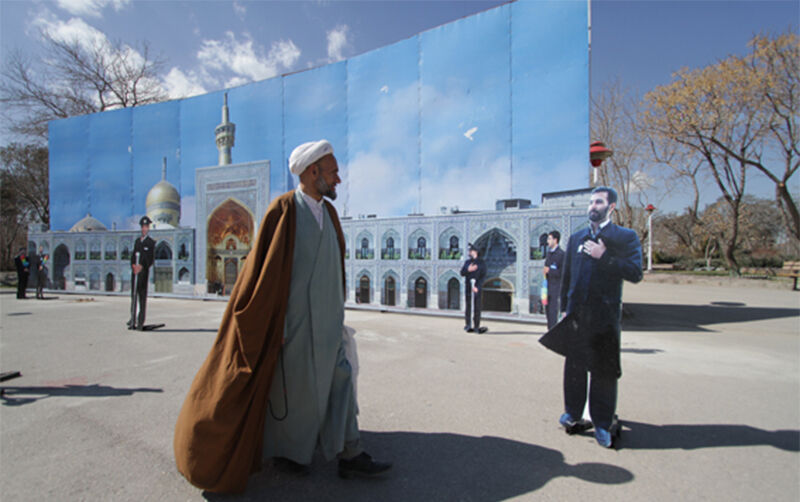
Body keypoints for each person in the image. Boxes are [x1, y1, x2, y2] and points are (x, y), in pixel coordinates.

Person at [174, 140, 391, 494]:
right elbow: (262, 272)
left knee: (341, 383)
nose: (338, 179)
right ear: (312, 172)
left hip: (329, 326)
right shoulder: (284, 210)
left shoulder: (330, 214)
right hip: (295, 327)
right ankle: (291, 454)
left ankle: (351, 454)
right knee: (296, 396)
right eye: (333, 171)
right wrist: (276, 326)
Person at [555, 186, 642, 448]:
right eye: (591, 202)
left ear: (611, 207)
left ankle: (602, 423)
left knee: (603, 369)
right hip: (578, 314)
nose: (593, 206)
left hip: (604, 315)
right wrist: (563, 309)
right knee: (574, 367)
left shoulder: (624, 237)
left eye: (599, 202)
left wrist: (605, 257)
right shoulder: (576, 237)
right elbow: (568, 275)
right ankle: (572, 412)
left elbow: (635, 272)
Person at [128, 216, 155, 330]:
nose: (145, 228)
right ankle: (132, 320)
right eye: (143, 227)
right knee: (133, 297)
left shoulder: (151, 242)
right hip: (135, 274)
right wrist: (133, 265)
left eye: (146, 226)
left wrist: (142, 266)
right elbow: (133, 255)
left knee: (142, 298)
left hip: (143, 274)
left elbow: (150, 259)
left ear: (148, 228)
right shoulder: (137, 242)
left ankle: (140, 322)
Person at [460, 243, 487, 333]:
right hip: (468, 286)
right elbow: (462, 273)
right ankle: (468, 325)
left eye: (470, 251)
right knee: (468, 306)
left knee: (476, 306)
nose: (469, 252)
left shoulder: (481, 263)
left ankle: (476, 326)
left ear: (475, 252)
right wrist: (468, 270)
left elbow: (483, 276)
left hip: (476, 287)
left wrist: (477, 286)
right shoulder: (468, 262)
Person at [543, 231, 564, 329]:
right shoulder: (549, 254)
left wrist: (550, 271)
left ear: (555, 240)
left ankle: (552, 331)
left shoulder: (561, 254)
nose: (547, 241)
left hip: (556, 287)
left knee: (553, 311)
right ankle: (549, 330)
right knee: (547, 311)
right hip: (547, 286)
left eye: (549, 239)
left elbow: (563, 273)